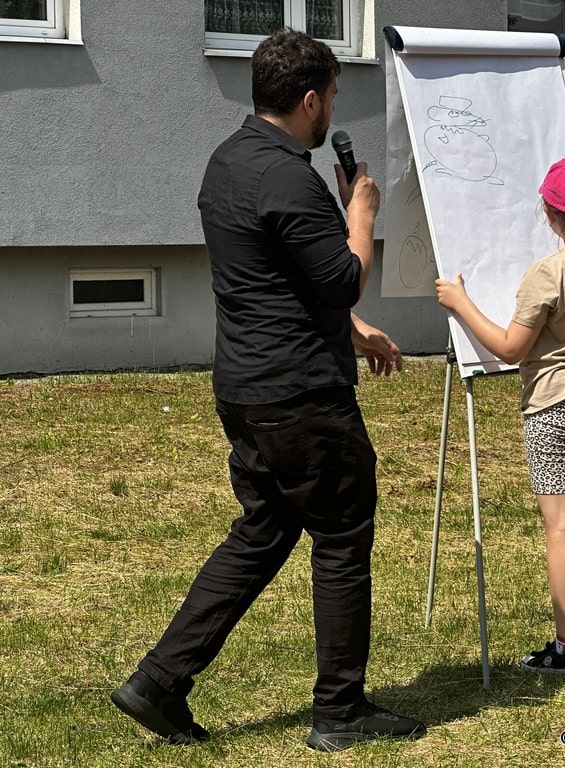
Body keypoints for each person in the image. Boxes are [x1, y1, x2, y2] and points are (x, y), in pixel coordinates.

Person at [110, 28, 425, 751]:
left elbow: (272, 279)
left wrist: (353, 332)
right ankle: (340, 713)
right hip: (302, 396)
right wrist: (362, 212)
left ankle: (158, 682)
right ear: (310, 100)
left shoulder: (226, 162)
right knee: (341, 535)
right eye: (333, 98)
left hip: (246, 389)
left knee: (264, 531)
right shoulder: (292, 179)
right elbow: (341, 278)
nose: (332, 111)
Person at [435, 158, 565, 675]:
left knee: (562, 528)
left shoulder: (548, 273)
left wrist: (461, 302)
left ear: (548, 212)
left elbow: (509, 349)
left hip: (556, 405)